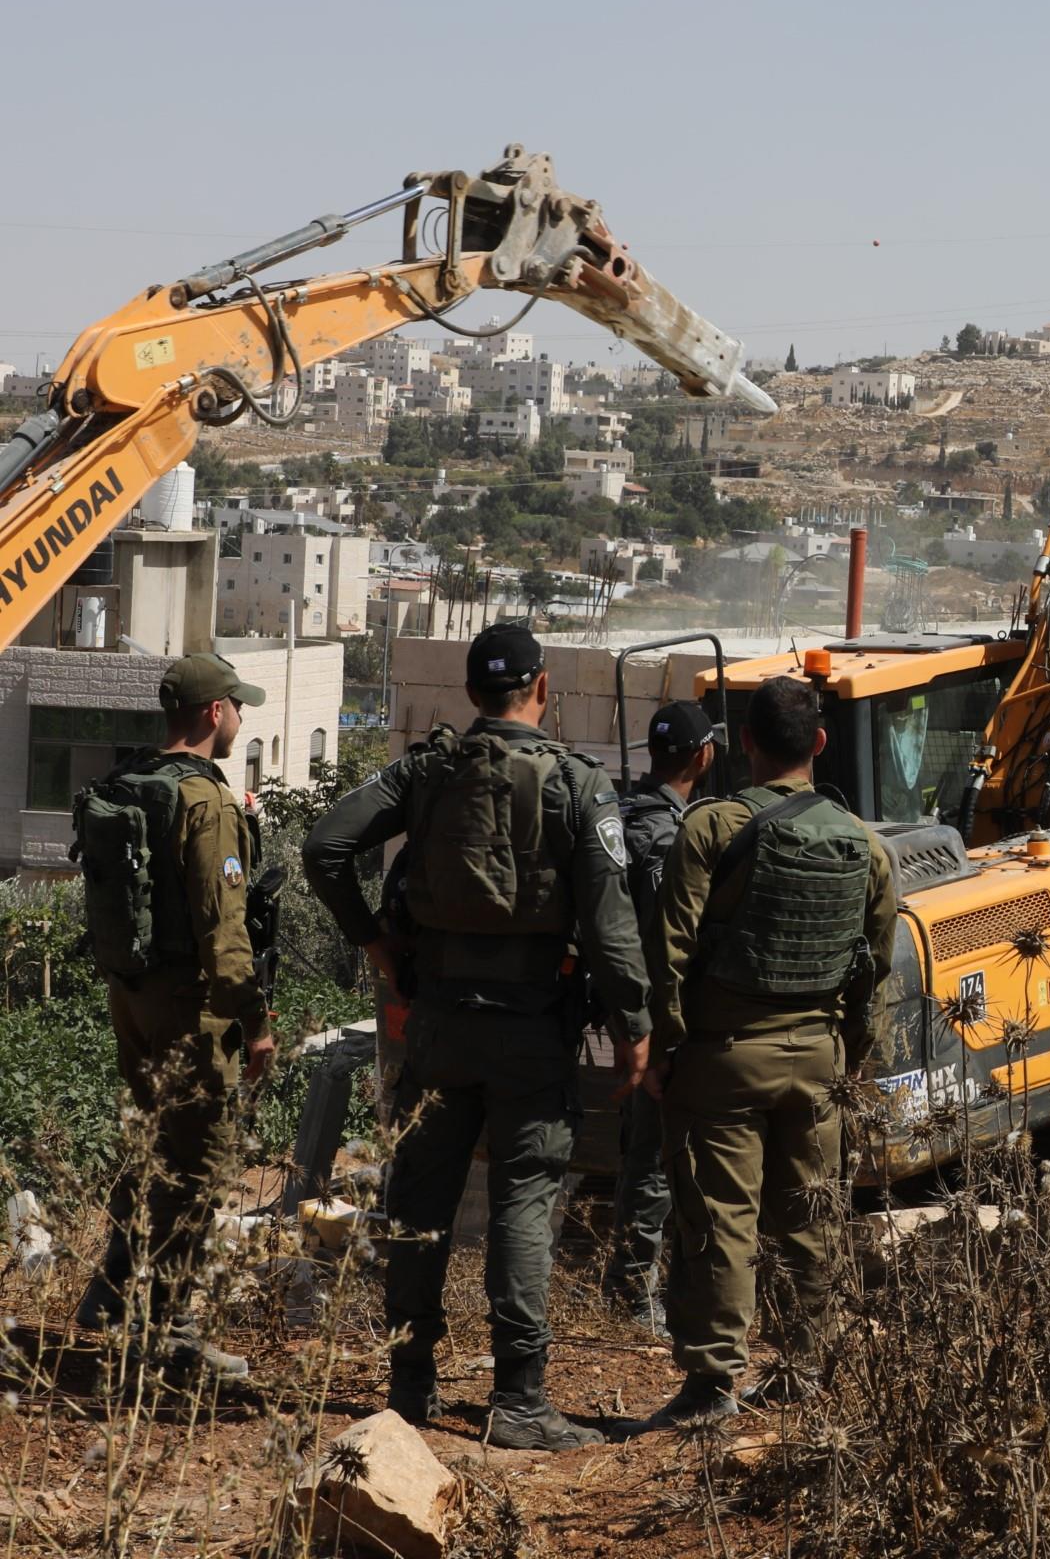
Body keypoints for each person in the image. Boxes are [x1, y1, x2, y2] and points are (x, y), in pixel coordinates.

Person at [302, 622, 650, 1451]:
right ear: (543, 690)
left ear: (471, 695)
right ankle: (519, 1399)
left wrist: (377, 944)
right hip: (532, 1025)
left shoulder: (427, 772)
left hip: (440, 1025)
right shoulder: (576, 783)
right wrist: (635, 1024)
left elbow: (326, 846)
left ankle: (409, 1385)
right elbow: (610, 925)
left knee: (419, 1198)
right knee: (524, 1202)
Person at [635, 676, 895, 1430]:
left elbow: (669, 951)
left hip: (723, 1060)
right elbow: (874, 967)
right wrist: (850, 1058)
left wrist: (664, 1052)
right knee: (810, 1219)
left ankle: (712, 1386)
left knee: (719, 1220)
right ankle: (808, 1370)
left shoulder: (710, 828)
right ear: (818, 744)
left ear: (743, 744)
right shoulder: (865, 843)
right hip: (818, 1061)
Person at [71, 653, 278, 1385]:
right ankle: (173, 1338)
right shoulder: (204, 800)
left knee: (154, 1138)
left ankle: (110, 1288)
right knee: (193, 1163)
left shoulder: (130, 780)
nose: (240, 719)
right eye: (236, 707)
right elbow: (225, 932)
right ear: (211, 712)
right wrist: (254, 1021)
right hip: (190, 1003)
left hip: (131, 992)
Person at [600, 699, 718, 1331]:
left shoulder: (623, 817)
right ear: (703, 756)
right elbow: (667, 940)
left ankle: (635, 1288)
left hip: (629, 1015)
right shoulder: (671, 835)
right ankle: (629, 1297)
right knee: (652, 1161)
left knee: (644, 1155)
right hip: (658, 1022)